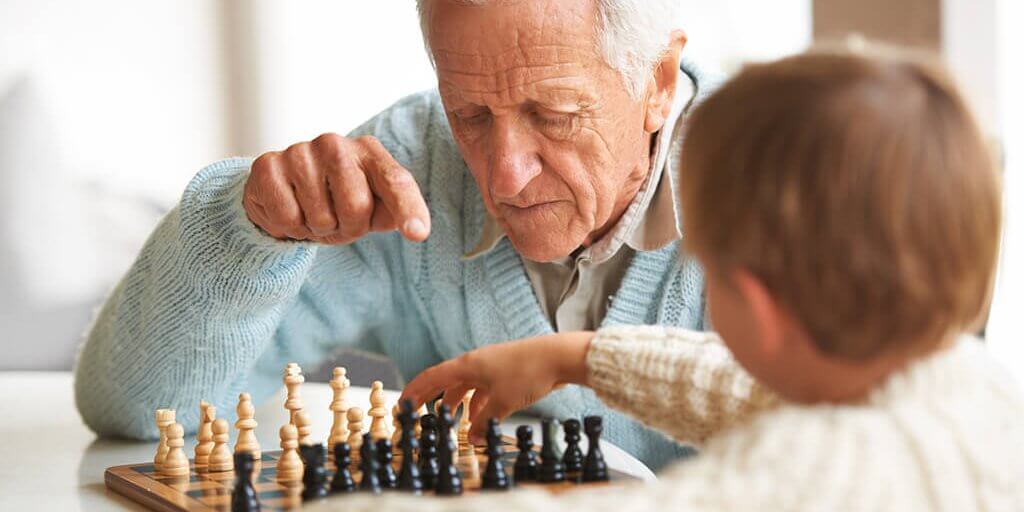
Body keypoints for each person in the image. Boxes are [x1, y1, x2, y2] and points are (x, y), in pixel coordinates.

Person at [73, 0, 710, 469]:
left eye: (553, 115)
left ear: (656, 82)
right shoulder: (412, 161)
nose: (507, 175)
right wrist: (242, 233)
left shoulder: (779, 187)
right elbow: (135, 412)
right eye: (470, 115)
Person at [385, 49, 1024, 510]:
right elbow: (735, 388)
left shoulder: (815, 476)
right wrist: (573, 357)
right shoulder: (964, 385)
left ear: (751, 300)